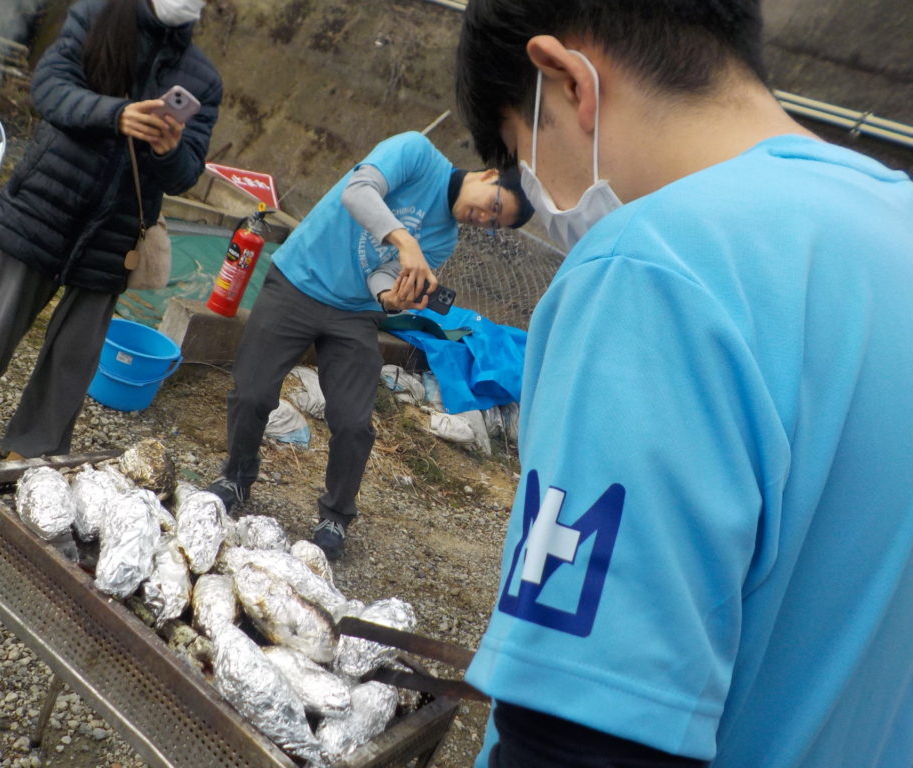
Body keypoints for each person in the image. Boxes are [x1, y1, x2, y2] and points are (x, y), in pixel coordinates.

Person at [454, 2, 913, 767]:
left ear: (568, 83)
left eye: (520, 150)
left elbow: (585, 741)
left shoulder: (654, 269)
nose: (539, 200)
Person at [206, 130, 533, 560]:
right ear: (490, 175)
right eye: (493, 207)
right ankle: (237, 476)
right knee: (252, 392)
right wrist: (405, 240)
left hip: (355, 312)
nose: (484, 219)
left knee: (354, 421)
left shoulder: (445, 239)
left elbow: (382, 276)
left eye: (494, 225)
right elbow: (358, 192)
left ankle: (336, 516)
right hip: (297, 281)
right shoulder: (416, 153)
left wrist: (391, 297)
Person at [0, 0, 221, 459]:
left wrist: (169, 150)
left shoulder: (202, 77)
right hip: (48, 197)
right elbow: (48, 89)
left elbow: (186, 173)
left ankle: (34, 444)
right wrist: (116, 114)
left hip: (118, 226)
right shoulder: (97, 15)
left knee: (75, 351)